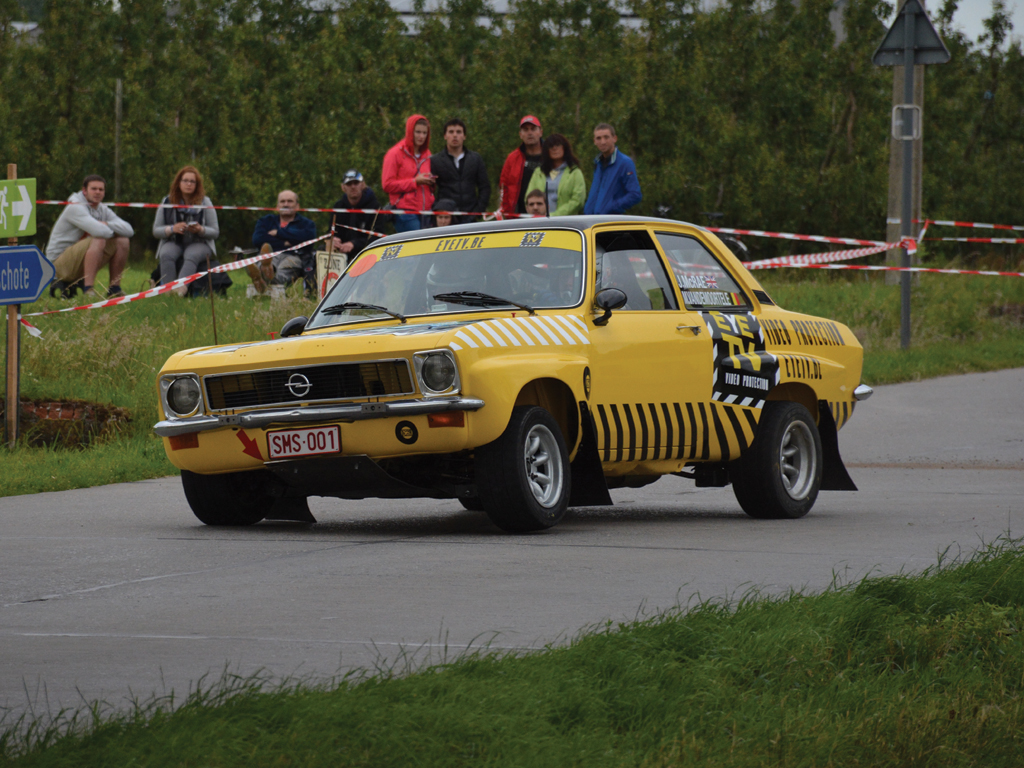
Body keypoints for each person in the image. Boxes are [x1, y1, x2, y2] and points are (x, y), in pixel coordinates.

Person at [45, 174, 133, 298]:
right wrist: (110, 229)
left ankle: (114, 289)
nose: (97, 192)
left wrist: (106, 224)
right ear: (84, 191)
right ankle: (89, 291)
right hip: (58, 265)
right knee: (98, 240)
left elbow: (129, 230)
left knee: (123, 241)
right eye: (93, 189)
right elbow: (100, 232)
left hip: (78, 259)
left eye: (101, 189)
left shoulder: (102, 209)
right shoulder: (75, 206)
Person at [152, 166, 220, 297]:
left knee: (191, 254)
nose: (189, 184)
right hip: (174, 241)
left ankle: (179, 291)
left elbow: (215, 232)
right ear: (178, 183)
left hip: (200, 242)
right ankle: (167, 292)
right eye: (185, 180)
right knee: (166, 253)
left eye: (192, 181)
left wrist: (200, 229)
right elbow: (156, 230)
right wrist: (172, 229)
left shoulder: (205, 202)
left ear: (197, 185)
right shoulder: (167, 201)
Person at [251, 190, 317, 294]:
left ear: (297, 206)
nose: (286, 204)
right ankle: (267, 269)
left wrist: (278, 233)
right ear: (277, 206)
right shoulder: (266, 221)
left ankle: (262, 279)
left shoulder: (307, 224)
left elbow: (308, 238)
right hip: (270, 254)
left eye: (290, 201)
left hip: (294, 256)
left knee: (283, 271)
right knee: (266, 260)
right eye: (282, 201)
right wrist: (285, 243)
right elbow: (257, 239)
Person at [429, 118, 490, 223]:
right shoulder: (435, 161)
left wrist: (478, 212)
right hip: (446, 219)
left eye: (459, 132)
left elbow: (485, 187)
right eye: (451, 132)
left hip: (471, 216)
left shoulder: (475, 159)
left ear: (464, 136)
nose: (455, 135)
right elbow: (429, 191)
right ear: (445, 136)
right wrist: (438, 210)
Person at [382, 114, 434, 232]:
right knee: (417, 246)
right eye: (418, 132)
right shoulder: (394, 154)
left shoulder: (428, 154)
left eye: (424, 133)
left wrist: (432, 181)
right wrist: (414, 182)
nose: (421, 136)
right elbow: (387, 185)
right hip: (405, 211)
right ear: (410, 131)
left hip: (426, 211)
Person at [583, 123, 643, 215]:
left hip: (610, 222)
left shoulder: (625, 163)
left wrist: (611, 207)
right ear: (594, 141)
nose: (602, 142)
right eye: (599, 138)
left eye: (606, 137)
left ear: (614, 138)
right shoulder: (597, 162)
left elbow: (635, 195)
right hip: (591, 220)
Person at [329, 169, 385, 262]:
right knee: (322, 250)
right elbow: (331, 230)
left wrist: (354, 244)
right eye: (349, 184)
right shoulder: (338, 207)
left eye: (356, 183)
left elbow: (378, 236)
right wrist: (334, 238)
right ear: (343, 187)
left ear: (362, 184)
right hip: (341, 252)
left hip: (367, 252)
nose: (353, 187)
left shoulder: (375, 207)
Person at [525, 133, 586, 217]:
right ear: (546, 150)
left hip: (566, 221)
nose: (554, 148)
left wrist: (555, 215)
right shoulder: (538, 172)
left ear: (565, 148)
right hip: (540, 221)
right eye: (551, 146)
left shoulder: (575, 172)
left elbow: (578, 201)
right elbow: (528, 197)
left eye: (558, 145)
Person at [499, 115, 543, 218]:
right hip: (518, 216)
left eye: (533, 129)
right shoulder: (512, 159)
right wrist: (507, 212)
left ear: (540, 132)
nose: (529, 133)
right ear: (520, 134)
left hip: (547, 215)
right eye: (525, 130)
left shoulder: (551, 156)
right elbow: (503, 187)